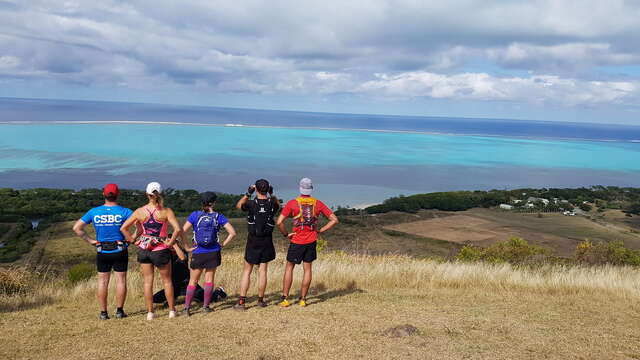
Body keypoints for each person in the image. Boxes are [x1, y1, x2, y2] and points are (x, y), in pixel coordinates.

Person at [120, 182, 182, 320]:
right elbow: (177, 229)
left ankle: (150, 313)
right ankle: (172, 311)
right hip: (161, 249)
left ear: (147, 194)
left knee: (148, 281)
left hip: (144, 248)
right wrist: (170, 243)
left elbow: (123, 228)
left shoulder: (139, 211)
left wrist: (134, 241)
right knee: (167, 281)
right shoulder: (166, 211)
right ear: (160, 194)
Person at [72, 183, 133, 320]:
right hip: (120, 249)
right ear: (118, 194)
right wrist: (131, 239)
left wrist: (91, 241)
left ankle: (103, 313)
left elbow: (77, 228)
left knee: (102, 282)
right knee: (121, 281)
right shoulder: (125, 211)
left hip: (102, 251)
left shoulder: (94, 211)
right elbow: (141, 225)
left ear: (103, 194)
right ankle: (119, 311)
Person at [276, 178, 339, 307]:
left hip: (296, 241)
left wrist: (286, 234)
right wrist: (321, 230)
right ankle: (303, 299)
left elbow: (279, 222)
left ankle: (285, 299)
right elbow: (334, 219)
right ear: (311, 189)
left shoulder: (292, 203)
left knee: (289, 268)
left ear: (300, 188)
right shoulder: (318, 203)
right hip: (311, 240)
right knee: (307, 269)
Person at [181, 191, 236, 316]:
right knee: (209, 280)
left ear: (202, 202)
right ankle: (206, 306)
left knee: (192, 281)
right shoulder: (219, 216)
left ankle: (186, 308)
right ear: (214, 203)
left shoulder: (194, 215)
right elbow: (232, 233)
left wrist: (187, 247)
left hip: (197, 251)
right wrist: (223, 244)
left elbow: (181, 231)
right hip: (213, 251)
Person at [233, 179, 280, 310]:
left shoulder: (251, 204)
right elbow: (277, 204)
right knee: (263, 271)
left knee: (247, 271)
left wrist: (248, 193)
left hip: (253, 240)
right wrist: (271, 193)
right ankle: (260, 300)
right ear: (268, 189)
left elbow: (238, 205)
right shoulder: (272, 204)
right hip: (267, 240)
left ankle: (242, 302)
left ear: (256, 189)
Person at [152, 240, 228, 305]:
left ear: (177, 243)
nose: (170, 244)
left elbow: (182, 258)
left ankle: (218, 290)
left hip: (187, 284)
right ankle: (173, 298)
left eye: (172, 242)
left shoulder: (182, 251)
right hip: (174, 286)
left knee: (209, 299)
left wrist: (175, 245)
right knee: (154, 299)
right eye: (169, 242)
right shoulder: (166, 254)